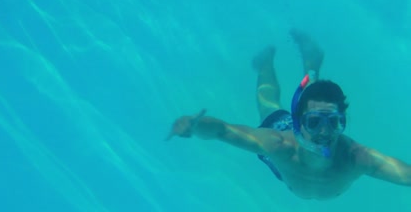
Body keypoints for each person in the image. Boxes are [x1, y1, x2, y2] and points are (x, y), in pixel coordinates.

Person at [166, 29, 411, 200]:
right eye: (314, 122)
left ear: (342, 123)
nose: (324, 133)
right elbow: (222, 130)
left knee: (298, 99)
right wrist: (194, 125)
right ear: (299, 121)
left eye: (333, 122)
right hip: (283, 132)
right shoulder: (278, 145)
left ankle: (312, 66)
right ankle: (266, 64)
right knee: (269, 105)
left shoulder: (357, 159)